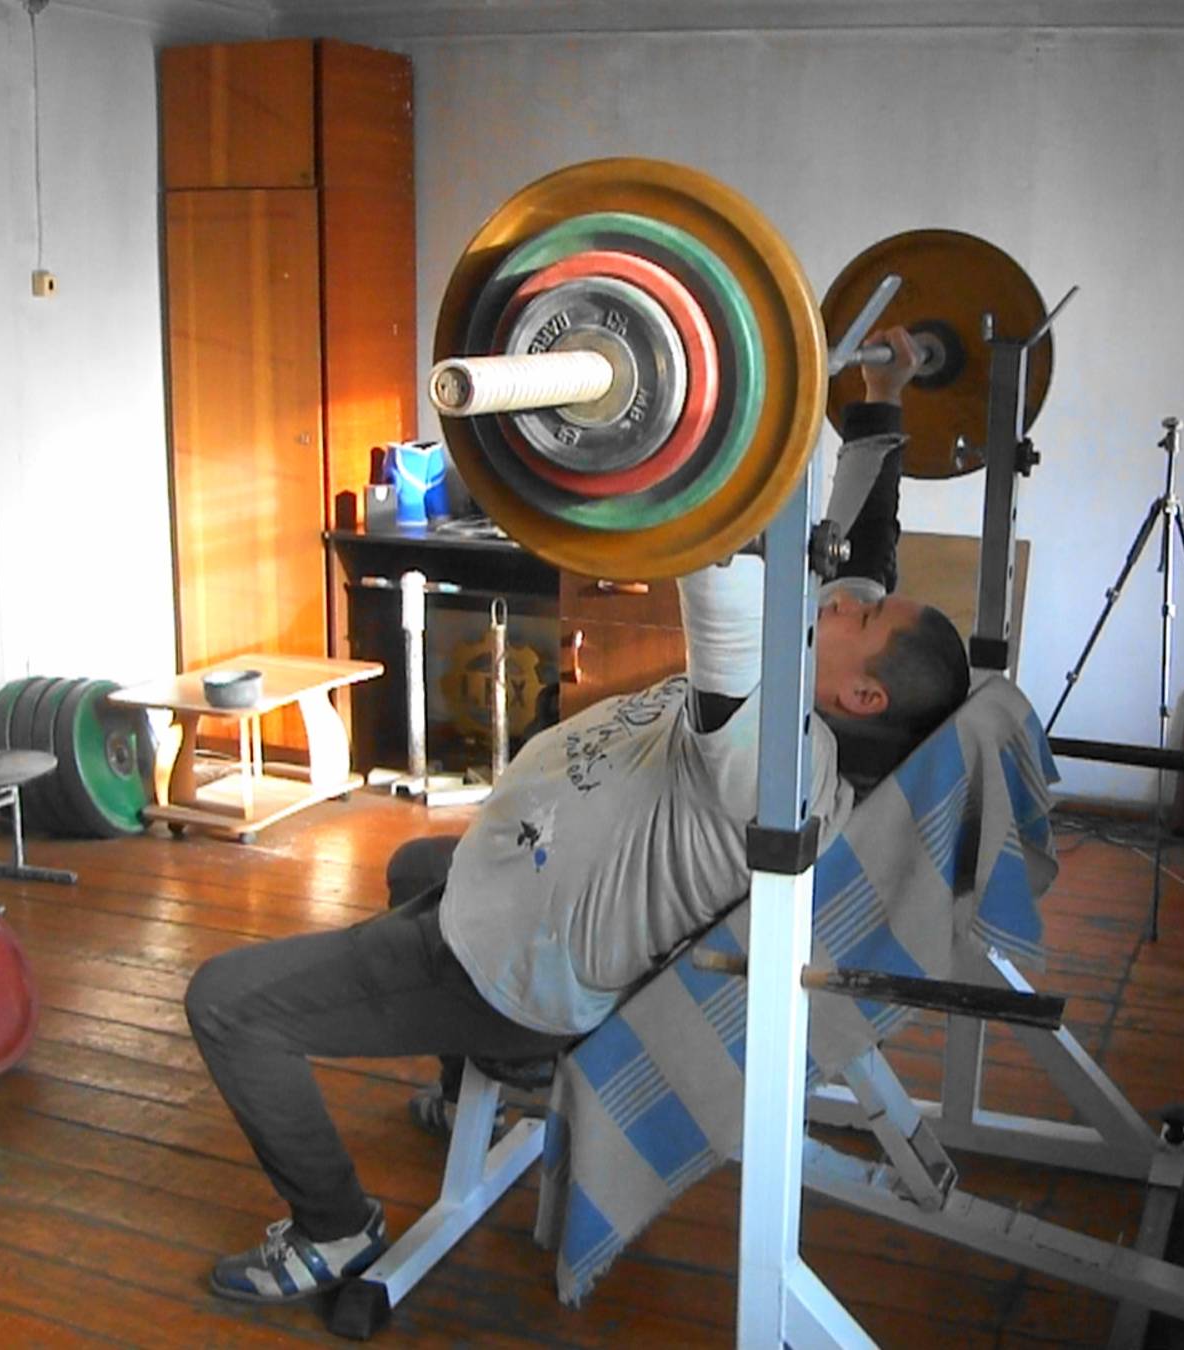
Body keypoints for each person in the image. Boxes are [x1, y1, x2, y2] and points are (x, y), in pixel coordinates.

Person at [184, 328, 969, 1304]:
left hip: (512, 968)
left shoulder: (776, 755)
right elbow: (858, 549)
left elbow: (719, 577)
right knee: (417, 866)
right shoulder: (817, 679)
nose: (841, 601)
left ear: (863, 697)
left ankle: (334, 1228)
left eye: (861, 617)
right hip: (518, 901)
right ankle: (484, 1082)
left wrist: (687, 414)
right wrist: (882, 396)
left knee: (227, 1003)